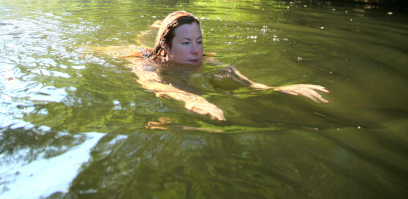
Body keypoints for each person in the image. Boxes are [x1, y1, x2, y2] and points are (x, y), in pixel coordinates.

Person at [130, 10, 329, 121]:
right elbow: (153, 85)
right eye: (186, 43)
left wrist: (277, 89)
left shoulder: (205, 59)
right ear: (166, 45)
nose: (196, 51)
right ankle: (152, 28)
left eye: (199, 41)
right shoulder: (147, 61)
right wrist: (191, 99)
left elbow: (241, 80)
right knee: (140, 40)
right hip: (143, 51)